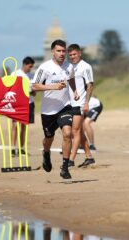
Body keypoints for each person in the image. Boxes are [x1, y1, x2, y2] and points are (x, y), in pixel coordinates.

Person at [31, 39, 79, 179]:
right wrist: (53, 87)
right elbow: (34, 86)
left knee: (67, 133)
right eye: (59, 51)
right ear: (53, 51)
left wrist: (75, 91)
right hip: (48, 111)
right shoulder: (45, 67)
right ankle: (46, 153)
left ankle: (65, 167)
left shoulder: (69, 67)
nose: (62, 53)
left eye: (64, 51)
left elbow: (71, 79)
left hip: (65, 106)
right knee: (48, 138)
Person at [67, 44, 96, 168]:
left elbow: (90, 85)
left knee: (75, 131)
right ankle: (89, 157)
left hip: (80, 104)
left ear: (79, 53)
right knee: (79, 132)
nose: (72, 57)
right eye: (71, 55)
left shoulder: (86, 67)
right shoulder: (69, 67)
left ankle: (71, 159)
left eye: (74, 54)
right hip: (69, 103)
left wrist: (86, 103)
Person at [10, 56, 36, 157]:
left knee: (24, 126)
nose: (30, 68)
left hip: (29, 102)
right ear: (24, 64)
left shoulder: (31, 76)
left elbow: (34, 90)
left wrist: (33, 92)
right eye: (29, 66)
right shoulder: (15, 74)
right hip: (17, 103)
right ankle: (13, 148)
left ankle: (21, 148)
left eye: (32, 67)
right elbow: (10, 88)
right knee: (15, 125)